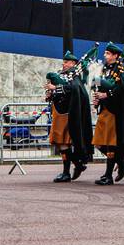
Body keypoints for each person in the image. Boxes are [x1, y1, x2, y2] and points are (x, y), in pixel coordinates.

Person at [91, 43, 124, 184]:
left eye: (108, 54)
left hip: (114, 111)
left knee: (110, 143)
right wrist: (98, 97)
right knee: (98, 142)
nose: (105, 56)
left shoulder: (120, 69)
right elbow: (102, 85)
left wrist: (107, 95)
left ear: (116, 55)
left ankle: (108, 175)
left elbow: (122, 88)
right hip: (105, 109)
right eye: (105, 53)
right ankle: (121, 162)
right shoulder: (105, 69)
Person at [48, 50, 93, 182]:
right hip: (58, 111)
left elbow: (72, 89)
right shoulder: (62, 74)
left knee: (63, 143)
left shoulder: (74, 77)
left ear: (73, 63)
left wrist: (54, 89)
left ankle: (67, 171)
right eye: (64, 62)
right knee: (60, 142)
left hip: (67, 114)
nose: (64, 64)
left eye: (67, 62)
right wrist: (50, 94)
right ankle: (77, 165)